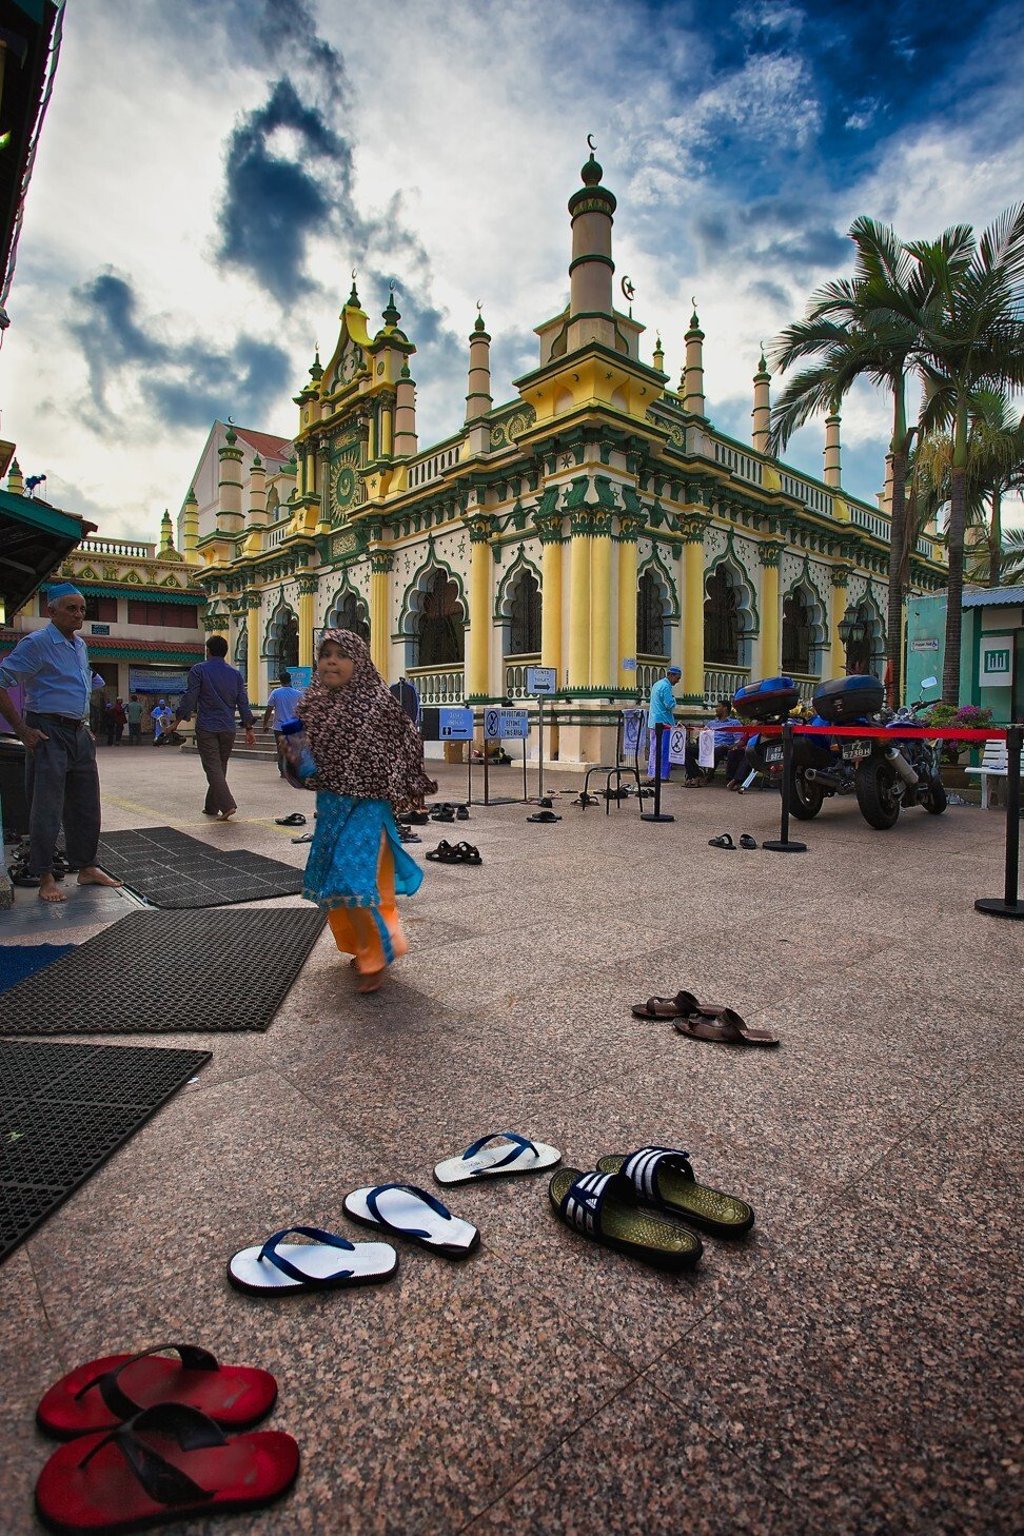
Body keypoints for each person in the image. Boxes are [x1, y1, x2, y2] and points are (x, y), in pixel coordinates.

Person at [301, 629, 437, 993]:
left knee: (352, 876)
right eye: (325, 653)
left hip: (367, 804)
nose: (331, 660)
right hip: (330, 805)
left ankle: (379, 950)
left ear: (358, 661)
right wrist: (294, 754)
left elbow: (408, 739)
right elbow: (302, 764)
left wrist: (397, 782)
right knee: (334, 880)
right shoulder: (312, 704)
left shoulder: (377, 702)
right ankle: (361, 948)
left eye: (341, 654)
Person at [0, 582, 122, 904]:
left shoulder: (80, 645)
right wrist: (23, 730)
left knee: (86, 805)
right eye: (71, 608)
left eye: (82, 609)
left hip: (79, 734)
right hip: (47, 731)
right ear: (50, 610)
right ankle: (44, 876)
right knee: (46, 808)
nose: (78, 614)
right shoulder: (37, 643)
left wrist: (85, 725)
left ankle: (87, 866)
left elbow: (83, 686)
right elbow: (1, 681)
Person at [170, 636, 256, 820]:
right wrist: (249, 728)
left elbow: (190, 697)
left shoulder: (199, 670)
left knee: (212, 767)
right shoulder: (235, 674)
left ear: (208, 650)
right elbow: (243, 702)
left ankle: (227, 805)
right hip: (228, 726)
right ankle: (211, 806)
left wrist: (176, 721)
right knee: (219, 766)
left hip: (207, 726)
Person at [684, 698, 744, 786]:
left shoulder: (734, 723)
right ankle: (696, 775)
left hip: (723, 747)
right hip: (707, 747)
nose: (716, 709)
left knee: (717, 750)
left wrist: (731, 747)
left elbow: (739, 740)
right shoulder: (711, 723)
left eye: (718, 706)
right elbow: (703, 736)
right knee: (687, 750)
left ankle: (709, 776)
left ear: (725, 708)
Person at [262, 669, 302, 777]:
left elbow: (269, 709)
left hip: (279, 727)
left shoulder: (276, 693)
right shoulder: (298, 694)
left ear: (280, 681)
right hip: (293, 726)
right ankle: (292, 770)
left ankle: (283, 771)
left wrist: (265, 724)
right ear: (290, 680)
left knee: (281, 749)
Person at [646, 664, 680, 781]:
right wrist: (674, 699)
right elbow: (669, 704)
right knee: (664, 750)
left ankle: (652, 773)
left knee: (654, 749)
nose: (678, 681)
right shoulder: (666, 687)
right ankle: (662, 775)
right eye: (677, 678)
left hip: (653, 722)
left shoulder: (657, 684)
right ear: (671, 675)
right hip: (664, 723)